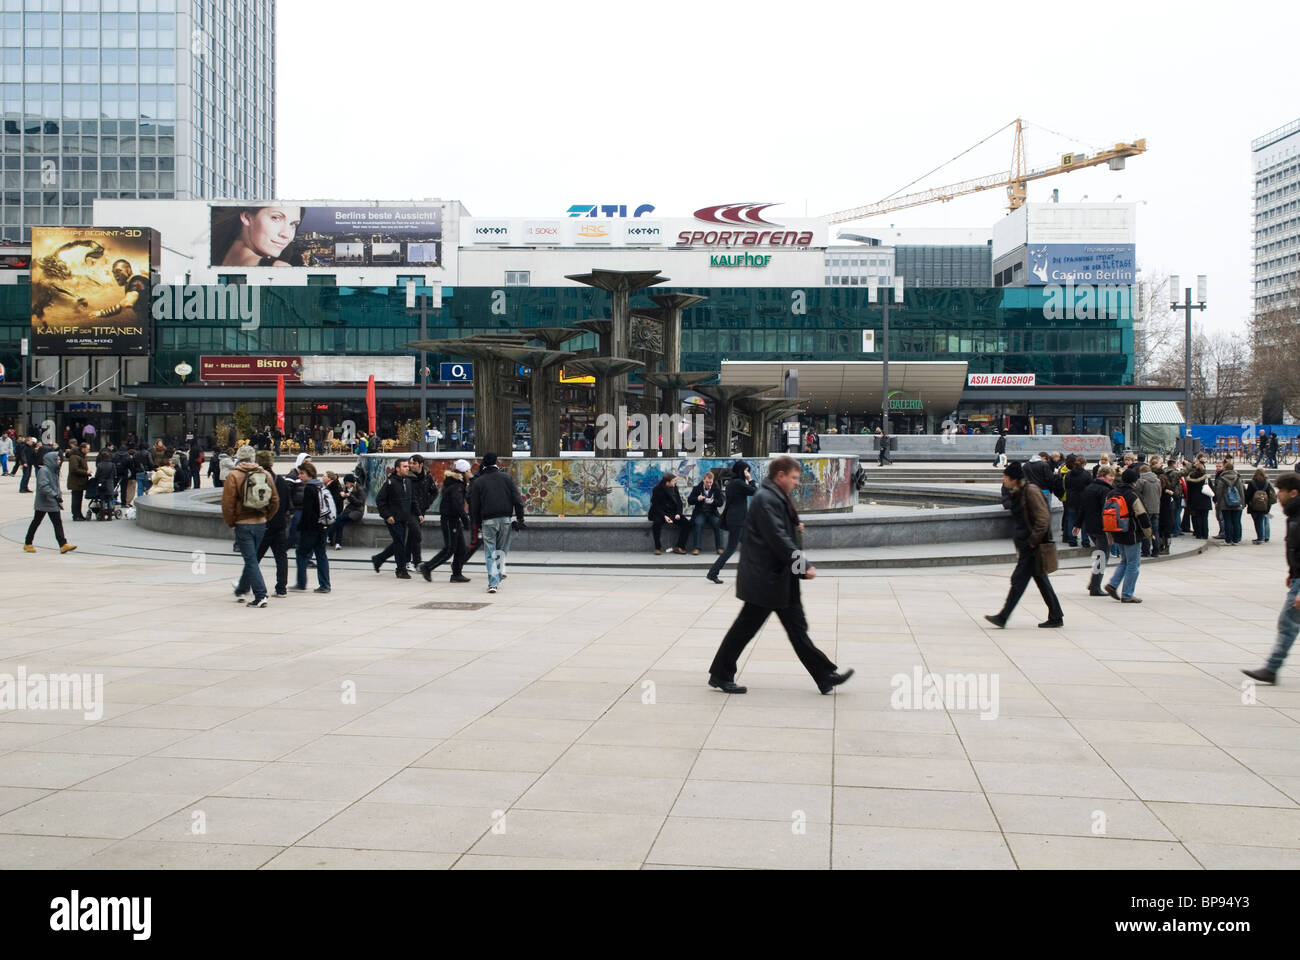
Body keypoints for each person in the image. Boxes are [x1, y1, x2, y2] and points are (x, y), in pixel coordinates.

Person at [707, 456, 853, 695]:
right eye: (794, 477)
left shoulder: (775, 497)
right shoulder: (767, 499)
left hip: (777, 578)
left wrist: (797, 551)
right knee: (747, 629)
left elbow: (783, 534)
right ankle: (721, 674)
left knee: (795, 629)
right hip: (766, 580)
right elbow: (777, 538)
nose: (797, 482)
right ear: (780, 475)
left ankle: (824, 676)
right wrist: (802, 565)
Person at [984, 461, 1064, 628]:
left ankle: (1003, 616)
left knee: (1018, 582)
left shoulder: (1031, 491)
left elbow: (1043, 519)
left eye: (1005, 476)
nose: (1003, 479)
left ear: (1014, 478)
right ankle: (1056, 615)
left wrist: (1032, 541)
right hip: (1027, 546)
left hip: (1032, 547)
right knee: (1040, 580)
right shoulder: (1018, 491)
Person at [1242, 474, 1300, 685]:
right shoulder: (1294, 514)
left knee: (1288, 623)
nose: (1278, 496)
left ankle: (1272, 668)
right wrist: (1292, 572)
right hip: (1297, 578)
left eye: (1281, 491)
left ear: (1293, 493)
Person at [222, 445, 279, 608]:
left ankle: (261, 595)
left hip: (243, 523)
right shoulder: (265, 474)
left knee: (251, 560)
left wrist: (231, 521)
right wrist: (266, 517)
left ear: (239, 458)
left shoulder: (234, 475)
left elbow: (227, 503)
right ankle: (241, 589)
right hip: (261, 523)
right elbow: (275, 500)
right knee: (251, 558)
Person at [468, 452, 525, 594]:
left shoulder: (479, 481)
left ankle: (493, 582)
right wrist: (520, 518)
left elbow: (474, 505)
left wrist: (476, 523)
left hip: (488, 521)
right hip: (505, 519)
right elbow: (517, 500)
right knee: (500, 551)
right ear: (496, 462)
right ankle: (497, 578)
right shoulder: (507, 478)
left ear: (483, 464)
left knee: (490, 552)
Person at [1103, 466, 1153, 603]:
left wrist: (1109, 533)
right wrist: (1148, 532)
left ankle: (1112, 584)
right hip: (1131, 533)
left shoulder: (1112, 493)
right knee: (1133, 564)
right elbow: (1142, 514)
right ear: (1134, 481)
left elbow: (1107, 513)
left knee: (1124, 560)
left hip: (1116, 531)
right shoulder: (1133, 495)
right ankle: (1127, 594)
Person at [419, 458, 472, 583]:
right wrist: (465, 520)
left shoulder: (456, 483)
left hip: (453, 519)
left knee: (461, 549)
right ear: (463, 472)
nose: (470, 473)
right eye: (468, 471)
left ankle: (456, 574)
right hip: (450, 520)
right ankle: (427, 567)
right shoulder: (457, 486)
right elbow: (457, 506)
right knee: (450, 549)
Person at [708, 460, 756, 584]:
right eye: (746, 471)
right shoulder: (739, 483)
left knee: (749, 545)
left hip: (736, 519)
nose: (747, 473)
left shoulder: (732, 483)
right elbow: (754, 491)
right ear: (741, 470)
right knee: (730, 548)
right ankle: (713, 573)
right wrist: (750, 479)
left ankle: (752, 572)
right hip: (737, 520)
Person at [372, 457, 421, 580]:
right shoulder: (390, 482)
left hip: (405, 517)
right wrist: (387, 515)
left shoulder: (408, 481)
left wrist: (418, 513)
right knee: (400, 544)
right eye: (404, 466)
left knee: (399, 543)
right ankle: (400, 570)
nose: (407, 468)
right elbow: (380, 500)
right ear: (397, 469)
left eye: (407, 466)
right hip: (393, 519)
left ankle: (378, 559)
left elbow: (413, 499)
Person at [212, 203, 304, 267]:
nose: (286, 234)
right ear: (247, 217)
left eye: (293, 224)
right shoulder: (278, 268)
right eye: (276, 218)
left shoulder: (216, 255)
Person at [23, 449, 76, 554]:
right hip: (44, 501)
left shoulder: (53, 470)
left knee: (57, 522)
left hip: (52, 501)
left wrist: (58, 496)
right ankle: (28, 543)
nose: (59, 461)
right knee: (36, 522)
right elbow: (43, 486)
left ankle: (63, 544)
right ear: (51, 460)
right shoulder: (44, 471)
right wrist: (55, 495)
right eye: (57, 459)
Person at [254, 450, 291, 598]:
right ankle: (281, 588)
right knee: (281, 557)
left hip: (264, 524)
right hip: (280, 524)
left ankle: (247, 584)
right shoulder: (281, 480)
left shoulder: (260, 479)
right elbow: (288, 503)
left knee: (255, 557)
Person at [291, 461, 332, 594]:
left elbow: (308, 511)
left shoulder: (309, 488)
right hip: (323, 525)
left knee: (301, 553)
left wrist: (300, 526)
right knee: (321, 554)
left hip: (311, 528)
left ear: (309, 474)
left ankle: (301, 583)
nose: (300, 476)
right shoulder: (320, 486)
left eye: (302, 474)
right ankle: (325, 584)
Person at [1078, 464, 1116, 596]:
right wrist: (1109, 531)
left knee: (1100, 555)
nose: (1113, 478)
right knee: (1102, 556)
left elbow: (1082, 508)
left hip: (1090, 527)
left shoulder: (1089, 488)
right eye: (1111, 476)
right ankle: (1095, 587)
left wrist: (1078, 525)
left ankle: (1093, 582)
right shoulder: (1105, 491)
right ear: (1104, 476)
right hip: (1102, 528)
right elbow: (1105, 512)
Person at [406, 455, 438, 566]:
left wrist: (427, 503)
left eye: (414, 463)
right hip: (410, 510)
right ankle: (416, 562)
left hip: (421, 510)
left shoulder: (427, 476)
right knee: (416, 534)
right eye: (410, 463)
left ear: (421, 464)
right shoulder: (407, 477)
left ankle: (408, 561)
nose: (411, 466)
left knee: (412, 536)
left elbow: (434, 491)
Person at [648, 473, 690, 555]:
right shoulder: (657, 489)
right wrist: (664, 516)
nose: (675, 482)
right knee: (656, 524)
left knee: (687, 524)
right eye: (673, 481)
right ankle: (657, 547)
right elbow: (656, 506)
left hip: (673, 513)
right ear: (667, 482)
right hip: (660, 513)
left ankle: (679, 546)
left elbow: (679, 503)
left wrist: (678, 513)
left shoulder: (674, 488)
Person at [687, 470, 725, 556]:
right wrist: (697, 498)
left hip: (712, 512)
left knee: (718, 523)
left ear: (713, 481)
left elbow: (721, 503)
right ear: (703, 480)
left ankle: (719, 547)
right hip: (700, 512)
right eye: (707, 482)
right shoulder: (697, 488)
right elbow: (689, 500)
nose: (709, 484)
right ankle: (697, 548)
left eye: (710, 482)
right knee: (698, 523)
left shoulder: (716, 489)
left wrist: (713, 501)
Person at [1214, 458, 1247, 546]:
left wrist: (1218, 503)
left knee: (1227, 521)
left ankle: (1228, 540)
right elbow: (1241, 492)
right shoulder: (1238, 478)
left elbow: (1219, 492)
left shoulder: (1222, 478)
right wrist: (1242, 503)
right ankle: (1236, 539)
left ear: (1225, 468)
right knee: (1236, 521)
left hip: (1225, 504)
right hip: (1237, 503)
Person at [1062, 455, 1091, 548]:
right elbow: (1090, 488)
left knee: (1071, 520)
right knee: (1084, 521)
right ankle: (1085, 541)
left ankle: (1072, 540)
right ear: (1084, 464)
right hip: (1083, 500)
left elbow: (1066, 487)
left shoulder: (1068, 474)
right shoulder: (1086, 474)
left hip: (1071, 499)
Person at [331, 473, 365, 549]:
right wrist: (342, 496)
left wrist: (350, 496)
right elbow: (344, 496)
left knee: (339, 519)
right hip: (349, 510)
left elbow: (360, 503)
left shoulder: (360, 489)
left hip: (357, 512)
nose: (346, 485)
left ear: (352, 482)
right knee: (340, 522)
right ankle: (338, 543)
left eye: (347, 483)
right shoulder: (348, 488)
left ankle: (329, 535)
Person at [1246, 467, 1277, 545]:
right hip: (1264, 505)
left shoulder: (1252, 483)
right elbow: (1269, 495)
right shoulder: (1267, 483)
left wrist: (1248, 503)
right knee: (1262, 520)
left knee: (1257, 522)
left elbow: (1248, 495)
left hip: (1254, 505)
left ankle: (1260, 537)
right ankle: (1264, 537)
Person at [1137, 461, 1162, 558]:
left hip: (1145, 508)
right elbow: (1159, 494)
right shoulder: (1158, 480)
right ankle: (1156, 551)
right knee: (1155, 531)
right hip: (1156, 508)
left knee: (1145, 530)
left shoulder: (1142, 481)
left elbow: (1138, 493)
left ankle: (1146, 551)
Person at [67, 441, 90, 521]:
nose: (88, 451)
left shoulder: (82, 456)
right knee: (76, 499)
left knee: (79, 498)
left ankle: (79, 514)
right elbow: (74, 469)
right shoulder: (74, 457)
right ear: (83, 449)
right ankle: (76, 515)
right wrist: (86, 472)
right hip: (76, 481)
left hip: (80, 481)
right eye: (87, 449)